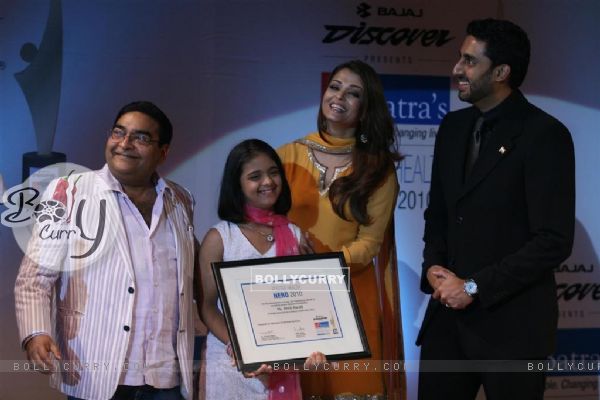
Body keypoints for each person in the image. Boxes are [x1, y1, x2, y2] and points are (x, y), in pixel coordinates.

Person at [416, 18, 575, 400]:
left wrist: (473, 287)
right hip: (446, 324)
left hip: (513, 331)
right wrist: (433, 269)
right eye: (460, 58)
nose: (457, 69)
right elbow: (437, 214)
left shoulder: (545, 135)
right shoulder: (452, 127)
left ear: (501, 72)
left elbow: (553, 240)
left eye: (469, 61)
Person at [15, 101, 198, 399]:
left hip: (166, 377)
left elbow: (185, 283)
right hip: (94, 371)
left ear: (163, 152)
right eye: (118, 132)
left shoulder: (182, 199)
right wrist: (37, 333)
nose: (124, 144)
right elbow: (34, 278)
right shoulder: (70, 192)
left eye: (141, 137)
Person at [278, 60, 405, 399]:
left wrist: (324, 266)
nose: (339, 97)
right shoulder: (286, 156)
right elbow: (262, 223)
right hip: (291, 299)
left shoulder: (378, 169)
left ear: (366, 109)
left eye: (353, 94)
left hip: (350, 298)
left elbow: (370, 243)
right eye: (335, 87)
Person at [199, 139, 325, 400]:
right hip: (231, 365)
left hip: (284, 366)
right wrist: (241, 347)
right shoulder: (220, 238)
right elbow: (208, 307)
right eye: (255, 176)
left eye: (274, 172)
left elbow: (306, 303)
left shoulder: (296, 235)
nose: (268, 182)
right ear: (238, 185)